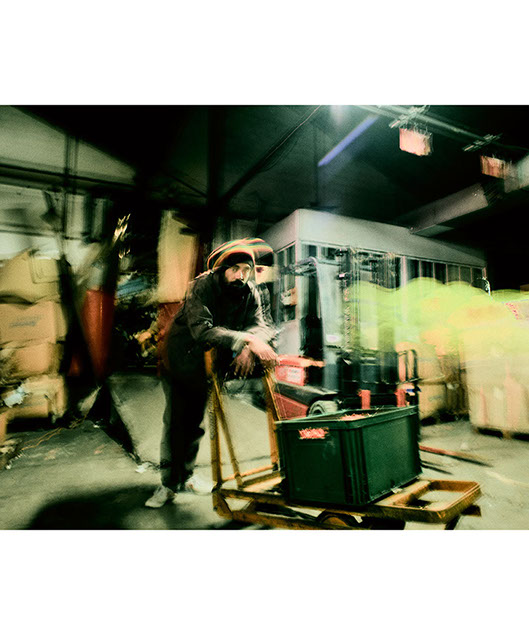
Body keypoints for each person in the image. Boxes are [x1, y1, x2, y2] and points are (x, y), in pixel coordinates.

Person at [145, 238, 278, 508]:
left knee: (195, 424)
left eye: (246, 270)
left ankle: (187, 475)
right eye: (235, 269)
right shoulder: (202, 286)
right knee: (177, 423)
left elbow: (262, 326)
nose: (241, 275)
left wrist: (248, 346)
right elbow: (202, 330)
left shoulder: (250, 291)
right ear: (222, 269)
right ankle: (168, 484)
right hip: (182, 359)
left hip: (209, 362)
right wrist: (246, 340)